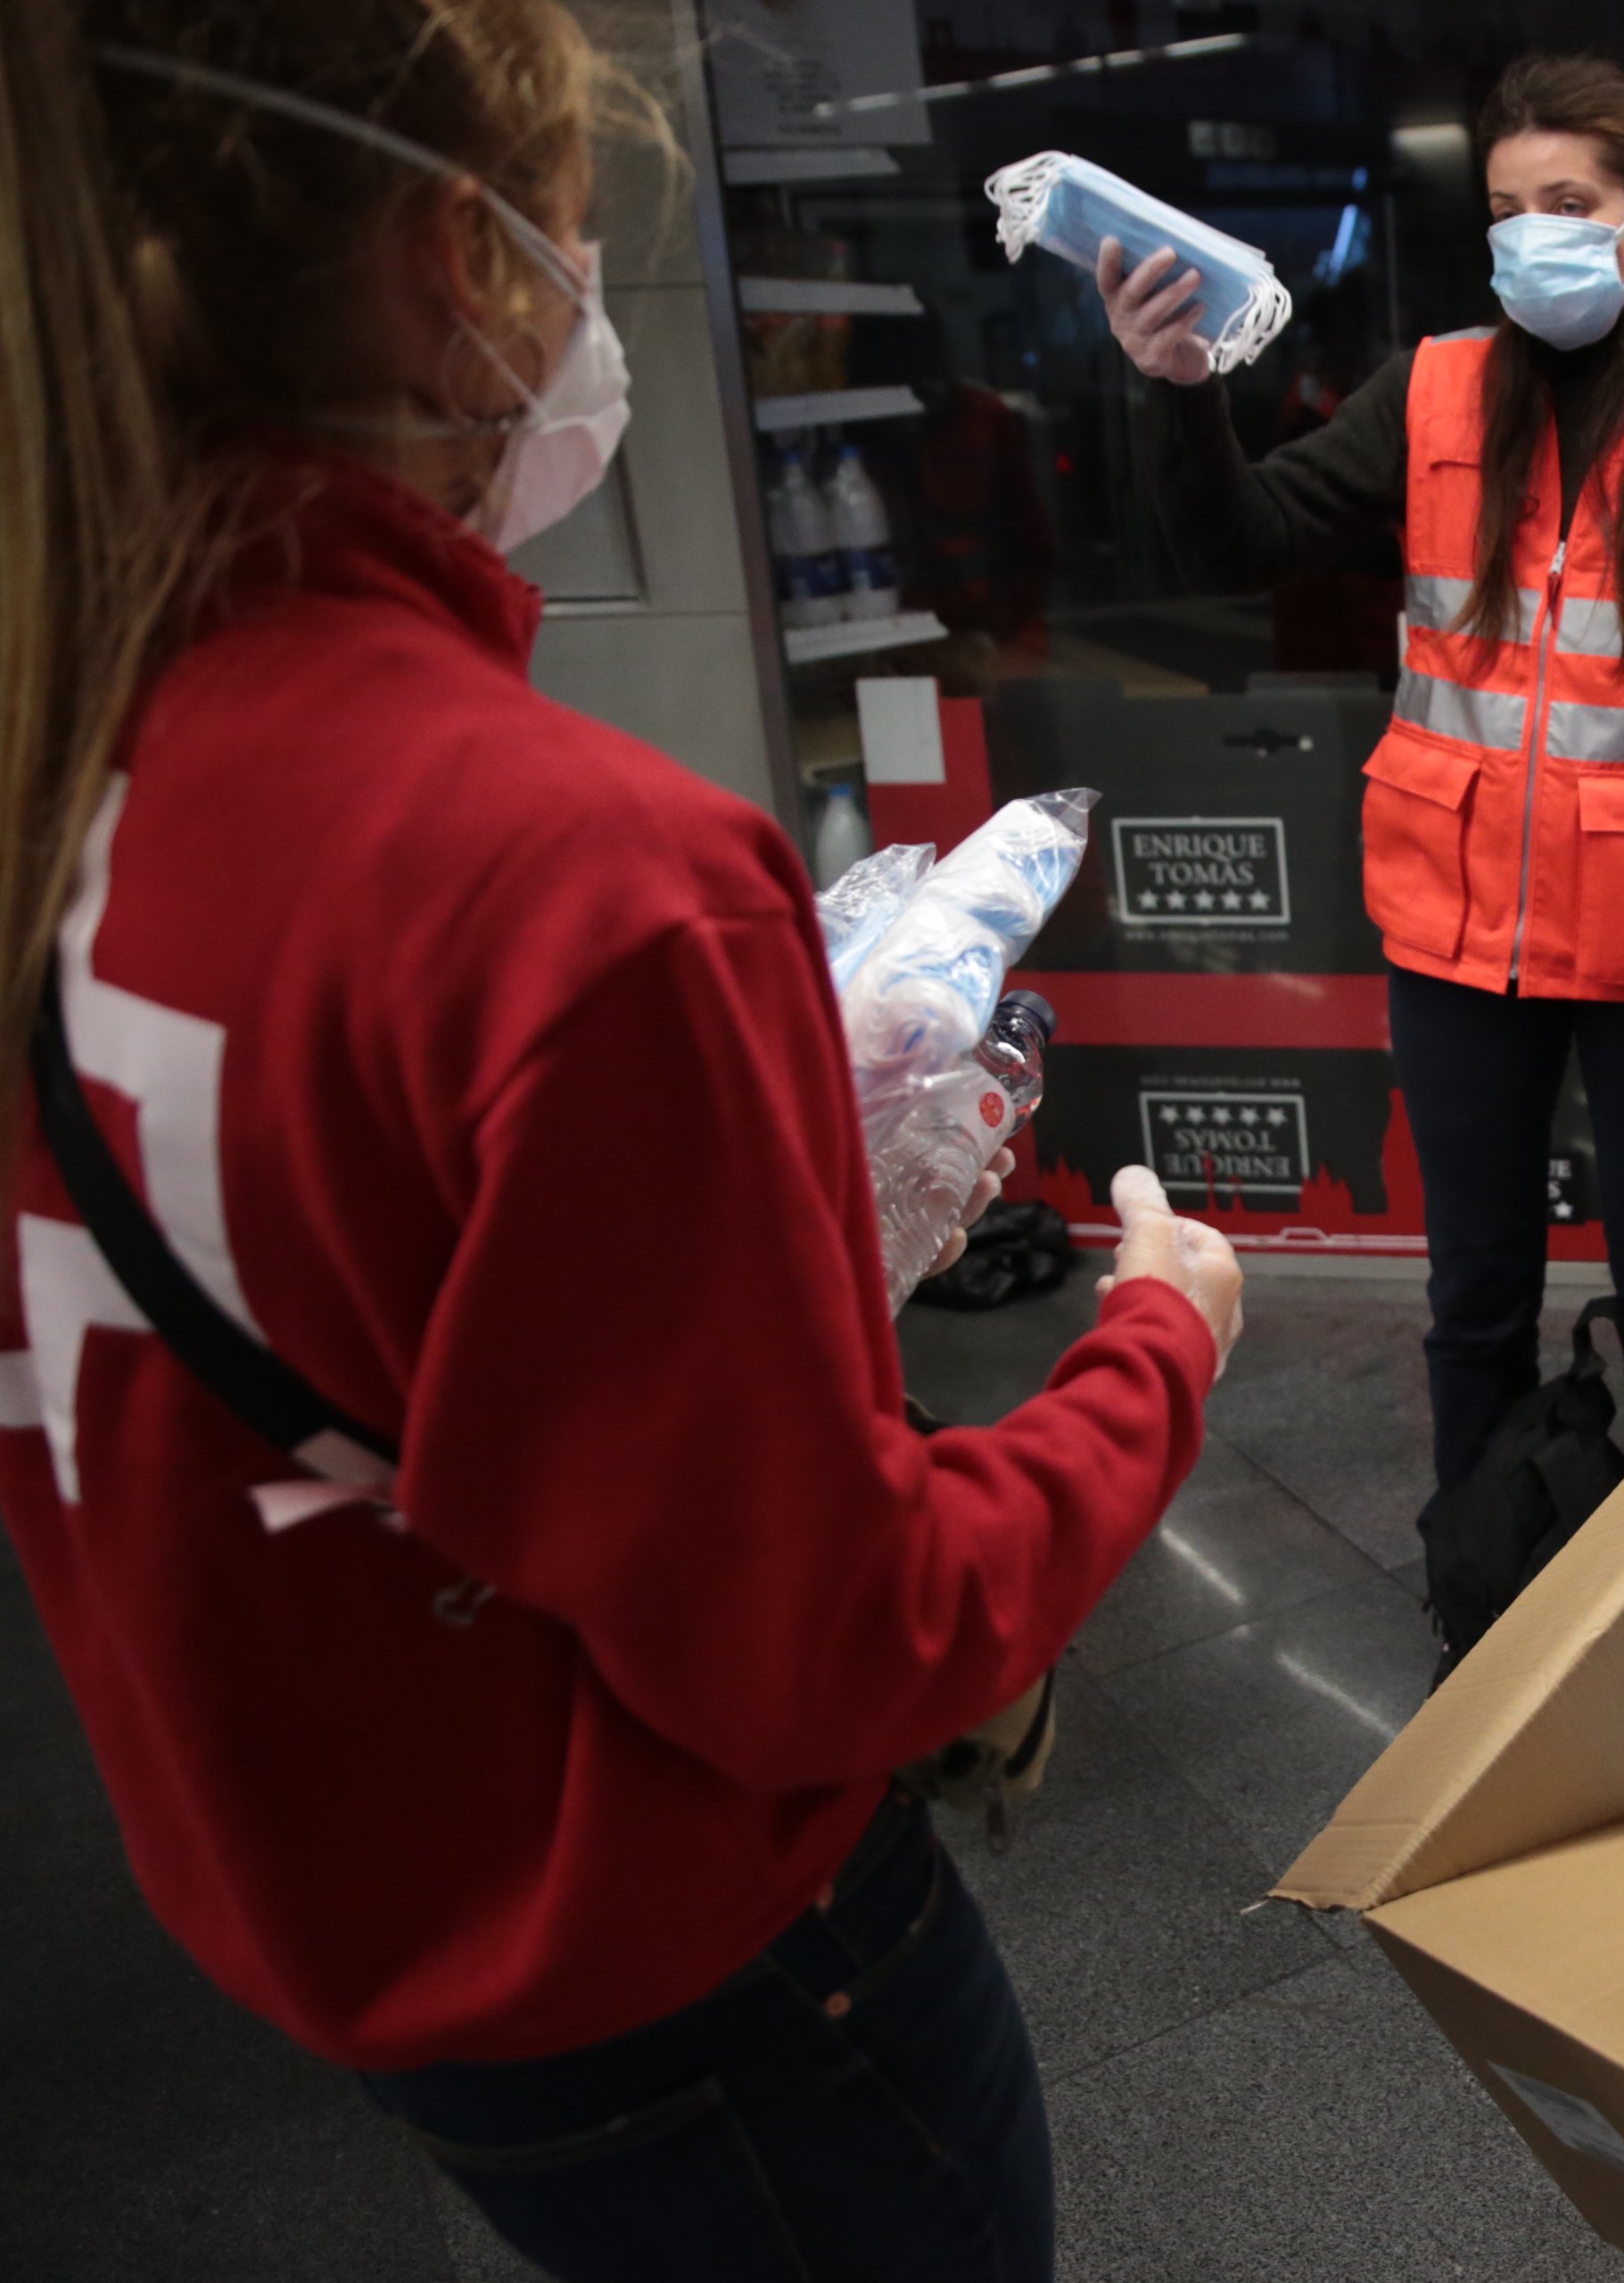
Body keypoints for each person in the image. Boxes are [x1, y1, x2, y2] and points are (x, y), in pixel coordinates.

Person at [0, 6, 1244, 2278]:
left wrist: (759, 1249)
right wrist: (1156, 1335)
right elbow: (839, 1640)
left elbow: (343, 1310)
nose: (593, 311)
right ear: (446, 269)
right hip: (703, 1970)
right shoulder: (581, 877)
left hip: (364, 1905)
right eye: (575, 241)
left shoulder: (65, 751)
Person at [1101, 54, 1624, 1510]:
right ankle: (1486, 1599)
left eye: (1569, 201)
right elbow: (1237, 544)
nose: (1535, 235)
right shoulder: (1433, 394)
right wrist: (1182, 392)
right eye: (1509, 209)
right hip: (1458, 949)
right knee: (1477, 1299)